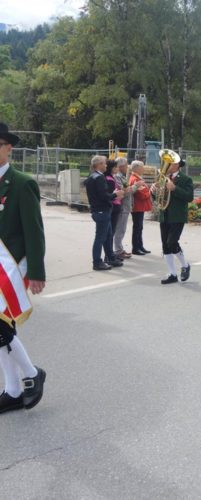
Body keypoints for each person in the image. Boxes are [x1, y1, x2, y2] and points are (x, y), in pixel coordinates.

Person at [0, 123, 47, 414]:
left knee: (1, 326)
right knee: (2, 327)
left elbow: (34, 230)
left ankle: (31, 374)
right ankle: (13, 388)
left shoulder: (21, 183)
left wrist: (38, 271)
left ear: (9, 148)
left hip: (12, 265)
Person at [152, 153, 194, 284]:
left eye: (169, 163)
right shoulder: (163, 178)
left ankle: (185, 265)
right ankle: (172, 273)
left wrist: (175, 188)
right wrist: (153, 191)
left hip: (177, 216)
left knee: (172, 242)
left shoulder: (186, 179)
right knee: (165, 246)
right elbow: (159, 198)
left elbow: (189, 197)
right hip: (164, 214)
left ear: (176, 165)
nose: (166, 165)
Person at [84, 156, 124, 270]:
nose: (106, 166)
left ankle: (110, 257)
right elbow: (104, 196)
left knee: (108, 235)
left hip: (99, 210)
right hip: (102, 211)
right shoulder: (99, 178)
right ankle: (97, 262)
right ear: (99, 165)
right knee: (100, 237)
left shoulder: (92, 176)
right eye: (104, 164)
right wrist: (116, 194)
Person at [114, 157, 144, 259]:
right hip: (122, 207)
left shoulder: (122, 177)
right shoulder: (118, 177)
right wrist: (136, 186)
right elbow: (125, 191)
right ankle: (118, 251)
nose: (128, 167)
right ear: (121, 166)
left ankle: (119, 249)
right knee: (120, 230)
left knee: (122, 229)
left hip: (125, 207)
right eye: (126, 165)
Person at [129, 160, 153, 255]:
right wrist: (150, 192)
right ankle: (136, 248)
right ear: (137, 168)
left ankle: (139, 246)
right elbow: (141, 195)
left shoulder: (137, 178)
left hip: (139, 206)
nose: (143, 169)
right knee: (137, 227)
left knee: (139, 227)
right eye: (142, 167)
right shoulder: (135, 179)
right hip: (138, 206)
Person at [104, 159, 122, 239]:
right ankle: (109, 250)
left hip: (113, 206)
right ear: (111, 168)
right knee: (111, 231)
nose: (117, 169)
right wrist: (118, 194)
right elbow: (111, 195)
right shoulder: (110, 179)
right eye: (116, 167)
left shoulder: (109, 177)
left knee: (110, 231)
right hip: (114, 206)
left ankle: (109, 249)